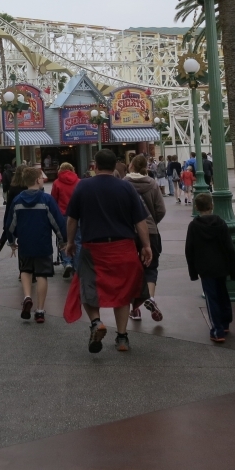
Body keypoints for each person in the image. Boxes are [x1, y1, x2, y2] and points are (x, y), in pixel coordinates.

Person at [63, 149, 152, 354]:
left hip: (93, 248)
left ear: (94, 165)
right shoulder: (126, 188)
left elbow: (72, 219)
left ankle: (96, 323)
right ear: (116, 167)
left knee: (87, 288)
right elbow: (140, 221)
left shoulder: (83, 186)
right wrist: (146, 246)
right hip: (123, 247)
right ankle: (122, 338)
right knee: (122, 293)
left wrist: (69, 242)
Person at [7, 167, 66, 324]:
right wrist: (63, 240)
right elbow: (57, 222)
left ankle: (27, 297)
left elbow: (11, 223)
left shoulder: (18, 200)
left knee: (25, 270)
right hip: (43, 243)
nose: (43, 180)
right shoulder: (46, 200)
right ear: (36, 180)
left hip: (25, 243)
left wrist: (12, 241)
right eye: (41, 178)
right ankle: (40, 311)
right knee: (41, 275)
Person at [184, 192, 235, 343]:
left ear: (196, 207)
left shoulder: (194, 226)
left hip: (205, 268)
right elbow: (229, 247)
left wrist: (193, 272)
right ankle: (225, 322)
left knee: (211, 298)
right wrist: (233, 269)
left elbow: (189, 249)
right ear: (212, 206)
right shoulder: (221, 223)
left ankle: (217, 330)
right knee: (223, 294)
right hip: (221, 265)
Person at [125, 154, 165, 322]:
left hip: (129, 232)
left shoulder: (123, 184)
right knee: (151, 266)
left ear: (131, 166)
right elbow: (161, 209)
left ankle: (134, 309)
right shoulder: (152, 184)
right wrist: (151, 223)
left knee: (132, 270)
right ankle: (151, 298)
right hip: (150, 231)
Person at [50, 162, 80, 279]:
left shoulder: (57, 183)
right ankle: (77, 266)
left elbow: (53, 200)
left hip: (62, 215)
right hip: (77, 215)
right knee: (77, 240)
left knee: (63, 240)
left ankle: (67, 262)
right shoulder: (79, 182)